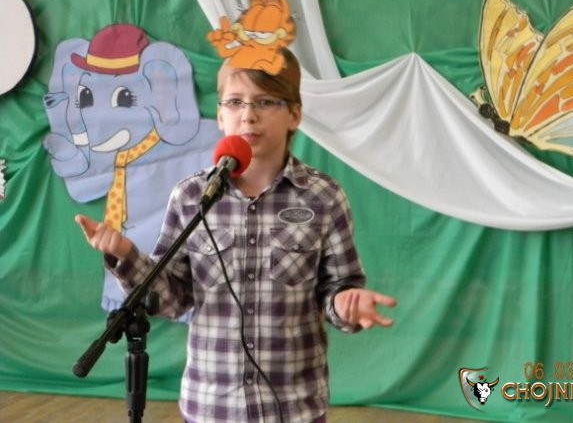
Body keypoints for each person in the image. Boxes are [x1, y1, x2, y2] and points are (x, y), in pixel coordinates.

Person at [75, 48, 397, 423]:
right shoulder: (191, 197)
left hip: (295, 409)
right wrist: (126, 255)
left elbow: (339, 287)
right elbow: (172, 299)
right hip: (211, 408)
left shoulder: (324, 197)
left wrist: (345, 303)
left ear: (294, 114)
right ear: (220, 115)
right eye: (235, 102)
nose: (248, 115)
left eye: (265, 101)